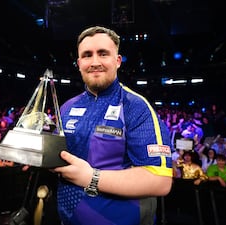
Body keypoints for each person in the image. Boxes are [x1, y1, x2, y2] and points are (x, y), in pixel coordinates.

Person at [52, 26, 173, 225]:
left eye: (103, 54)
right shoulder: (66, 107)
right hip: (67, 219)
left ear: (117, 61)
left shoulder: (136, 107)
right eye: (87, 55)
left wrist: (91, 177)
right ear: (79, 63)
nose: (95, 62)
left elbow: (160, 181)